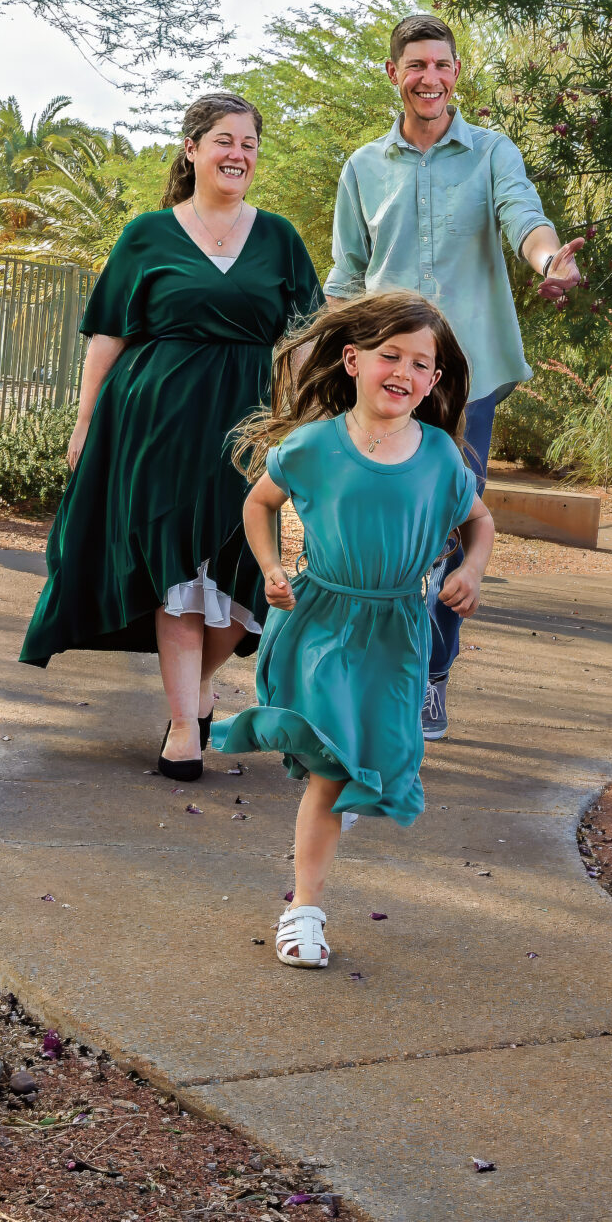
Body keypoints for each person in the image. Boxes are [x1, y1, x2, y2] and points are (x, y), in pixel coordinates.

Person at [19, 93, 324, 783]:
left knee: (247, 584)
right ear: (191, 149)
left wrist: (303, 425)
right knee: (176, 574)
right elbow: (108, 337)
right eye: (223, 140)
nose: (237, 154)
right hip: (150, 425)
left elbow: (304, 339)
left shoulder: (278, 237)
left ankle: (200, 685)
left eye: (249, 143)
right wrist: (84, 422)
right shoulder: (148, 234)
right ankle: (185, 723)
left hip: (245, 428)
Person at [215, 292, 495, 969]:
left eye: (420, 362)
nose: (402, 371)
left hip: (396, 632)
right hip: (322, 622)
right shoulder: (313, 445)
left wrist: (473, 570)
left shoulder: (440, 458)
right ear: (352, 360)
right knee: (332, 771)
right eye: (388, 355)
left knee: (353, 764)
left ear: (434, 380)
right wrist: (270, 564)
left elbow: (478, 522)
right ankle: (303, 911)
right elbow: (259, 503)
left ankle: (317, 859)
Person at [326, 12, 584, 742]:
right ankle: (365, 671)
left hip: (465, 380)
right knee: (374, 528)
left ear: (456, 73)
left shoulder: (493, 153)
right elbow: (347, 275)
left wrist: (547, 261)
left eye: (441, 65)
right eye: (416, 67)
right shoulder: (362, 169)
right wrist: (322, 354)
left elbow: (522, 217)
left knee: (447, 527)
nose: (429, 79)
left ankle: (432, 674)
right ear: (394, 75)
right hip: (380, 377)